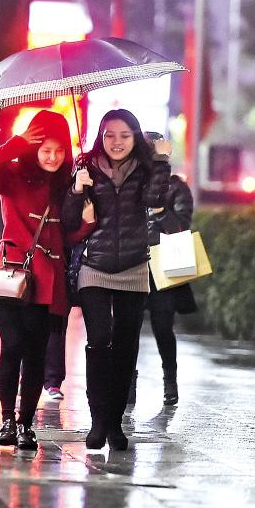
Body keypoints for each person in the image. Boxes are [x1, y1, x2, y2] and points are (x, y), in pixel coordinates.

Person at [62, 109, 171, 450]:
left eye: (125, 135)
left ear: (135, 136)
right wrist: (78, 191)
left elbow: (156, 201)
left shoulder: (146, 168)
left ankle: (115, 423)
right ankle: (97, 421)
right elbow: (67, 221)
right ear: (101, 135)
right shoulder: (86, 167)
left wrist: (162, 161)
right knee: (98, 341)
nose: (117, 142)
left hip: (134, 268)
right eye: (110, 134)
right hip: (94, 266)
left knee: (126, 347)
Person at [0, 110, 74, 450]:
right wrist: (16, 143)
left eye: (59, 150)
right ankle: (6, 420)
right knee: (13, 347)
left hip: (48, 283)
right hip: (12, 276)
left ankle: (26, 425)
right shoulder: (15, 175)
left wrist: (86, 211)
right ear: (34, 148)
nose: (52, 157)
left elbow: (75, 231)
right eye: (45, 149)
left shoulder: (69, 184)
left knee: (35, 354)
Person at [129, 161, 197, 406]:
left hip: (165, 264)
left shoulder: (177, 188)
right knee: (129, 327)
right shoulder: (130, 184)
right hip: (132, 261)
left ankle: (170, 381)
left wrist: (159, 211)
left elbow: (181, 228)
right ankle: (128, 384)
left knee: (163, 326)